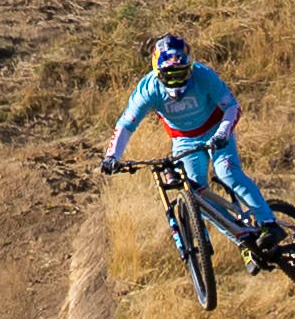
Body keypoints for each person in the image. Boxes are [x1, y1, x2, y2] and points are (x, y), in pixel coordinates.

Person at [97, 33, 261, 229]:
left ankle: (268, 223)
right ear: (158, 72)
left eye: (181, 74)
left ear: (189, 68)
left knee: (227, 173)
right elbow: (126, 124)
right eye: (169, 75)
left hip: (215, 130)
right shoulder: (148, 89)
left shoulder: (203, 76)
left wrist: (222, 134)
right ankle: (241, 236)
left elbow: (232, 107)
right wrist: (112, 156)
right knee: (196, 197)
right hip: (184, 140)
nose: (175, 81)